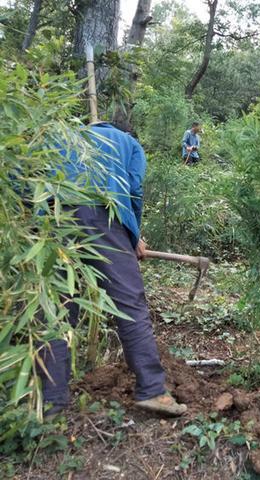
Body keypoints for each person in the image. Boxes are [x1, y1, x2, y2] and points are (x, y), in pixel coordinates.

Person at [40, 122, 187, 417]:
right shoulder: (128, 143)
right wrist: (133, 237)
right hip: (102, 216)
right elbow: (133, 191)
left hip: (55, 219)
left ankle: (52, 401)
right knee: (130, 304)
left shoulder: (63, 134)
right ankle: (152, 390)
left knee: (56, 309)